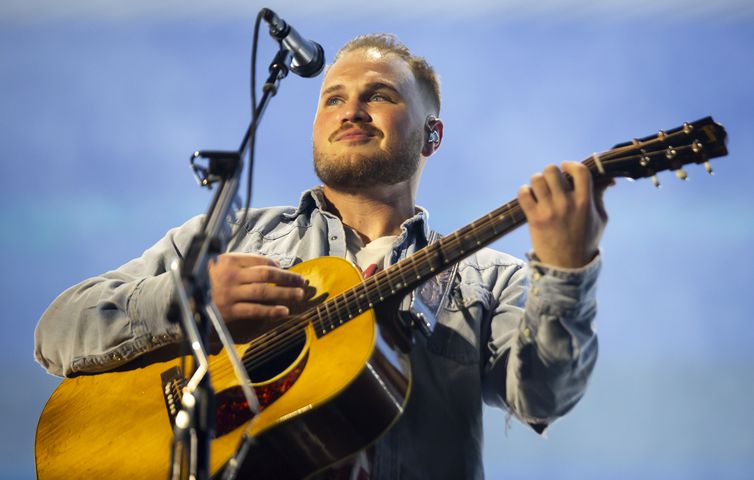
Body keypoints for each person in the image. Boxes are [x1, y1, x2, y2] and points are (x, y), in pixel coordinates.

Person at [35, 34, 608, 479]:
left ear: (432, 137)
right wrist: (189, 300)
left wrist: (567, 271)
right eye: (334, 97)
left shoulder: (487, 280)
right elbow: (57, 332)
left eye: (379, 95)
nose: (351, 109)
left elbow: (544, 393)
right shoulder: (233, 241)